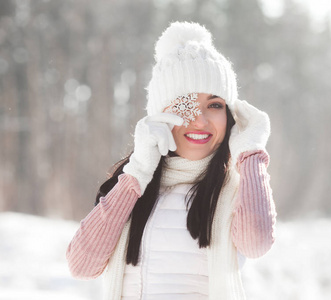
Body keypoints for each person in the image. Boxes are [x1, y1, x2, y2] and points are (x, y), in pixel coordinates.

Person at [66, 21, 276, 300]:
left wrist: (250, 154)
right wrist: (137, 172)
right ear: (159, 115)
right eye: (185, 105)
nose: (199, 120)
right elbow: (82, 265)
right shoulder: (130, 187)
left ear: (231, 117)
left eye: (214, 105)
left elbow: (256, 243)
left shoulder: (239, 188)